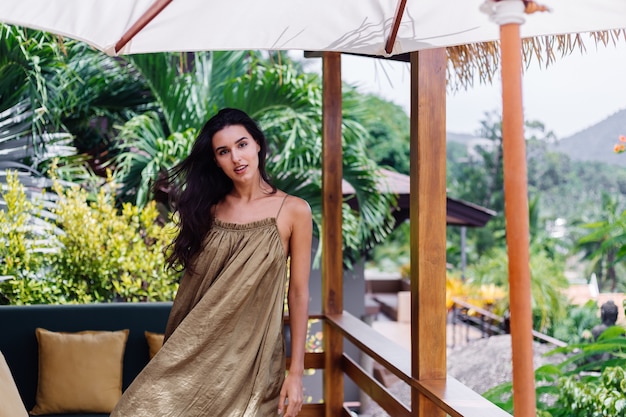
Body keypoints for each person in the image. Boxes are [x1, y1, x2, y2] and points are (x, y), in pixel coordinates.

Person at [110, 108, 312, 417]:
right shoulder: (209, 210)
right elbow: (194, 292)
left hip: (253, 364)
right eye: (224, 151)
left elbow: (297, 294)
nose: (236, 157)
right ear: (216, 160)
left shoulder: (294, 211)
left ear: (258, 144)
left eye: (242, 144)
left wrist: (295, 374)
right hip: (197, 356)